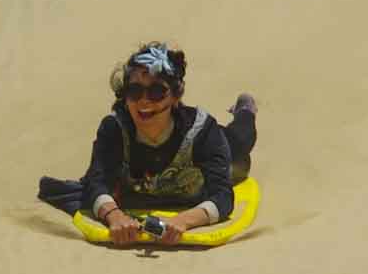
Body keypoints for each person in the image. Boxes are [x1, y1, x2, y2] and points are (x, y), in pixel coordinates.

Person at [36, 41, 259, 246]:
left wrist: (184, 220)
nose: (144, 101)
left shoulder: (202, 131)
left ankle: (245, 111)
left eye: (156, 91)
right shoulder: (114, 129)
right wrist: (114, 215)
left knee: (240, 144)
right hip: (143, 193)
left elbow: (222, 196)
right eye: (135, 91)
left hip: (203, 179)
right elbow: (96, 181)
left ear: (175, 96)